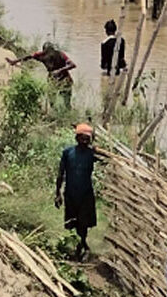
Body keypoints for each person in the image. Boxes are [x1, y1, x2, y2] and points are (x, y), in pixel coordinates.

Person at [55, 124, 99, 259]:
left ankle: (82, 245)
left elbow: (108, 159)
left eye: (88, 139)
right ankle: (81, 245)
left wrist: (100, 149)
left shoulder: (92, 154)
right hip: (71, 193)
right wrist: (58, 193)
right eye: (83, 138)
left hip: (85, 193)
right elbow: (61, 173)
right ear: (77, 138)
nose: (85, 141)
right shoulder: (68, 153)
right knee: (73, 222)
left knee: (84, 222)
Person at [8, 41, 77, 105]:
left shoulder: (60, 54)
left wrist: (59, 70)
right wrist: (15, 61)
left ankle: (67, 115)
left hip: (64, 79)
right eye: (47, 52)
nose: (50, 54)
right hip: (53, 79)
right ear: (44, 51)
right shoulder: (41, 55)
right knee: (52, 101)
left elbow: (73, 65)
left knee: (66, 102)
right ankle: (54, 115)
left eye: (51, 52)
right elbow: (28, 57)